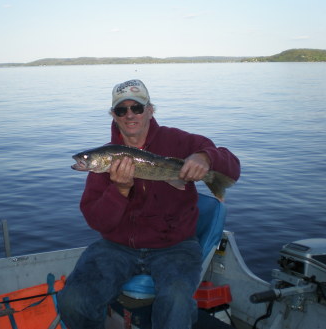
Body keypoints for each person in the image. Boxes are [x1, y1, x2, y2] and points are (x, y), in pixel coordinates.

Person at [58, 79, 240, 329]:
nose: (130, 115)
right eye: (122, 110)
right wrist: (120, 190)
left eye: (137, 108)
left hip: (175, 246)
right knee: (73, 301)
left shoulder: (179, 141)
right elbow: (96, 220)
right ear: (113, 115)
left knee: (176, 305)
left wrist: (205, 157)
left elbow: (232, 163)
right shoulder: (105, 161)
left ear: (150, 110)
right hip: (117, 246)